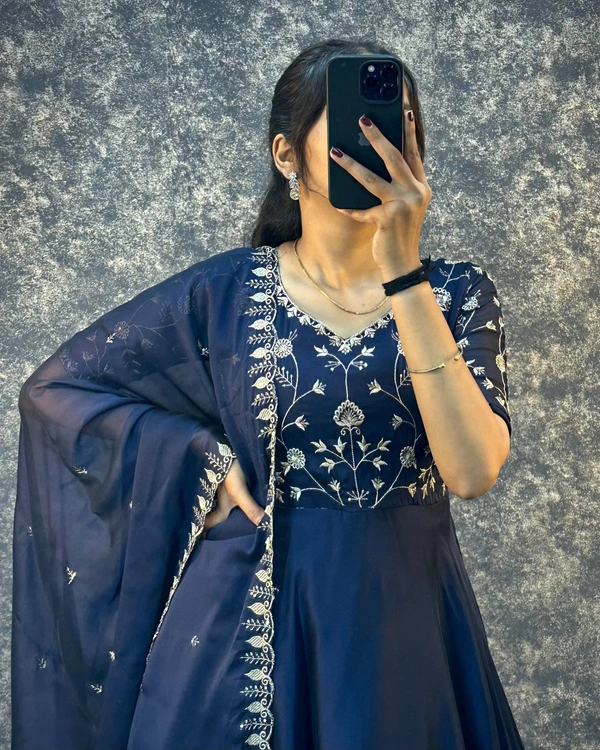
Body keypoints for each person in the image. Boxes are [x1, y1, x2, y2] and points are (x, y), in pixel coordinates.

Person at [12, 37, 525, 750]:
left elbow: (472, 473)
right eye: (356, 127)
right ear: (286, 155)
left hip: (407, 633)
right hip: (247, 636)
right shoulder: (224, 293)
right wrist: (201, 459)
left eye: (398, 124)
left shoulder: (457, 293)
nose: (381, 146)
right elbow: (56, 391)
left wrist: (402, 271)